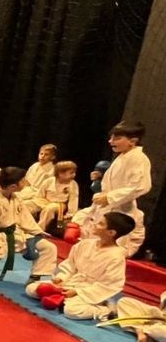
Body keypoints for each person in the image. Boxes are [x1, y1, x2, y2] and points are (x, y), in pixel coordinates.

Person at [26, 212, 134, 320]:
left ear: (111, 232)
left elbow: (109, 285)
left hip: (90, 292)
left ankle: (106, 310)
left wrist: (77, 292)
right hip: (71, 283)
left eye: (101, 224)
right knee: (31, 289)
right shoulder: (85, 244)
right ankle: (61, 297)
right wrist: (61, 278)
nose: (95, 224)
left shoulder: (116, 256)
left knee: (71, 311)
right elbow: (70, 265)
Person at [71, 122, 151, 257]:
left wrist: (109, 197)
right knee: (91, 249)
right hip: (108, 209)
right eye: (111, 137)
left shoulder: (138, 158)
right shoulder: (123, 156)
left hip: (120, 212)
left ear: (132, 141)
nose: (110, 141)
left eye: (117, 138)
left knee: (107, 253)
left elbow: (141, 186)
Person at [0, 166, 58, 281]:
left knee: (49, 248)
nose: (25, 182)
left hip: (18, 234)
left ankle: (35, 277)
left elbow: (25, 217)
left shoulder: (16, 198)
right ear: (13, 186)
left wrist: (38, 231)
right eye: (22, 181)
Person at [29, 159, 79, 236]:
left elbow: (74, 199)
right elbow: (39, 195)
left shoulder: (73, 184)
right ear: (60, 173)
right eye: (71, 173)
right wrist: (37, 203)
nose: (74, 175)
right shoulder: (49, 181)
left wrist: (70, 213)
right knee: (28, 204)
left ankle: (39, 230)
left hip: (59, 204)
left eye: (74, 173)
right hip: (45, 201)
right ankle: (23, 225)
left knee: (49, 209)